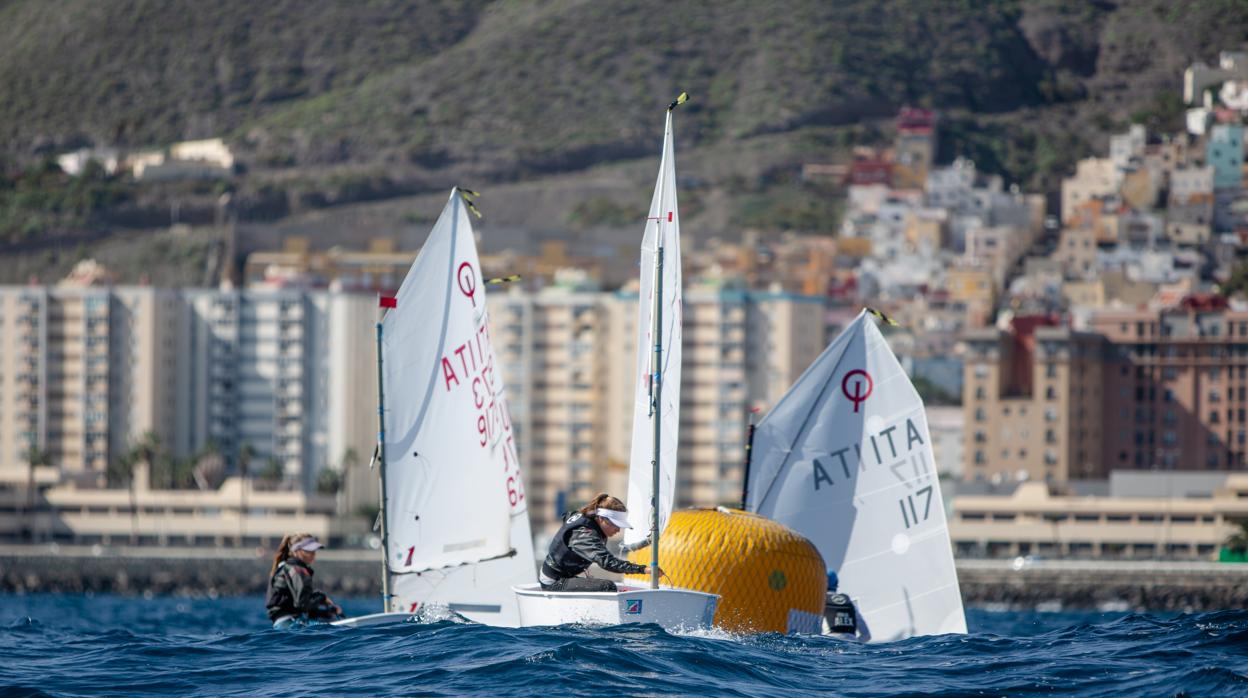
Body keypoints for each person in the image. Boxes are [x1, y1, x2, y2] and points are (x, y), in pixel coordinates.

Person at [540, 493, 664, 592]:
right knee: (607, 587)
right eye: (615, 524)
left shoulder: (589, 519)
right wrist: (643, 570)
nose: (618, 529)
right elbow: (607, 562)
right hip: (554, 581)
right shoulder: (584, 535)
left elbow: (567, 516)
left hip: (565, 576)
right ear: (601, 519)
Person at [266, 533, 344, 628]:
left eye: (314, 551)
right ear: (296, 551)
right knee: (330, 628)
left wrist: (327, 612)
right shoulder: (298, 570)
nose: (313, 554)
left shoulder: (285, 567)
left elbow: (302, 606)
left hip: (283, 623)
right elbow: (303, 605)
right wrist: (322, 598)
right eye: (308, 551)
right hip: (290, 623)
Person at [823, 570, 870, 641]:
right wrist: (855, 644)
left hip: (830, 644)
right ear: (836, 583)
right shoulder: (849, 603)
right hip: (852, 645)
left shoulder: (820, 602)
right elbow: (866, 635)